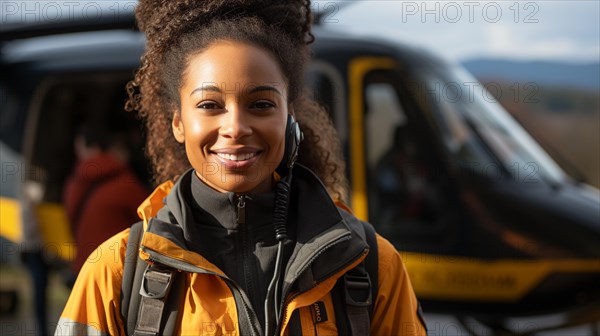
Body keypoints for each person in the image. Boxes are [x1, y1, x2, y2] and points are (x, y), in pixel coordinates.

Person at [56, 1, 427, 335]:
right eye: (209, 105)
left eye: (261, 104)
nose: (235, 126)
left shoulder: (372, 264)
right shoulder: (114, 272)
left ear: (289, 117)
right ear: (177, 122)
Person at [62, 122, 148, 275]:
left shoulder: (74, 181)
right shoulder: (126, 182)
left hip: (84, 267)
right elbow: (149, 219)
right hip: (117, 270)